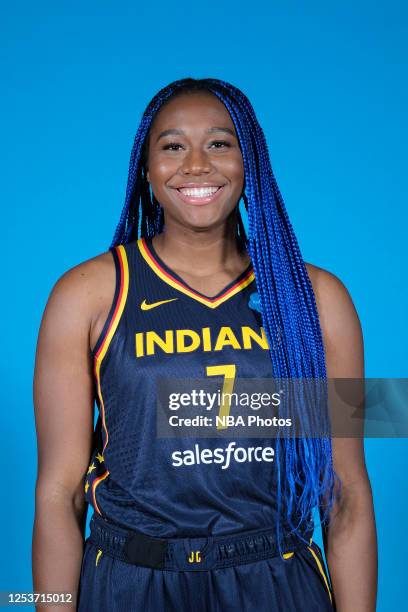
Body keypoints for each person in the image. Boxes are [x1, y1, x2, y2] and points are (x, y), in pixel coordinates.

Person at [32, 77, 377, 611]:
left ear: (250, 162)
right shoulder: (86, 294)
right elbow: (59, 492)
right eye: (172, 146)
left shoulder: (316, 300)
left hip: (275, 580)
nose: (196, 165)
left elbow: (346, 490)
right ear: (146, 170)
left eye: (219, 143)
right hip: (131, 581)